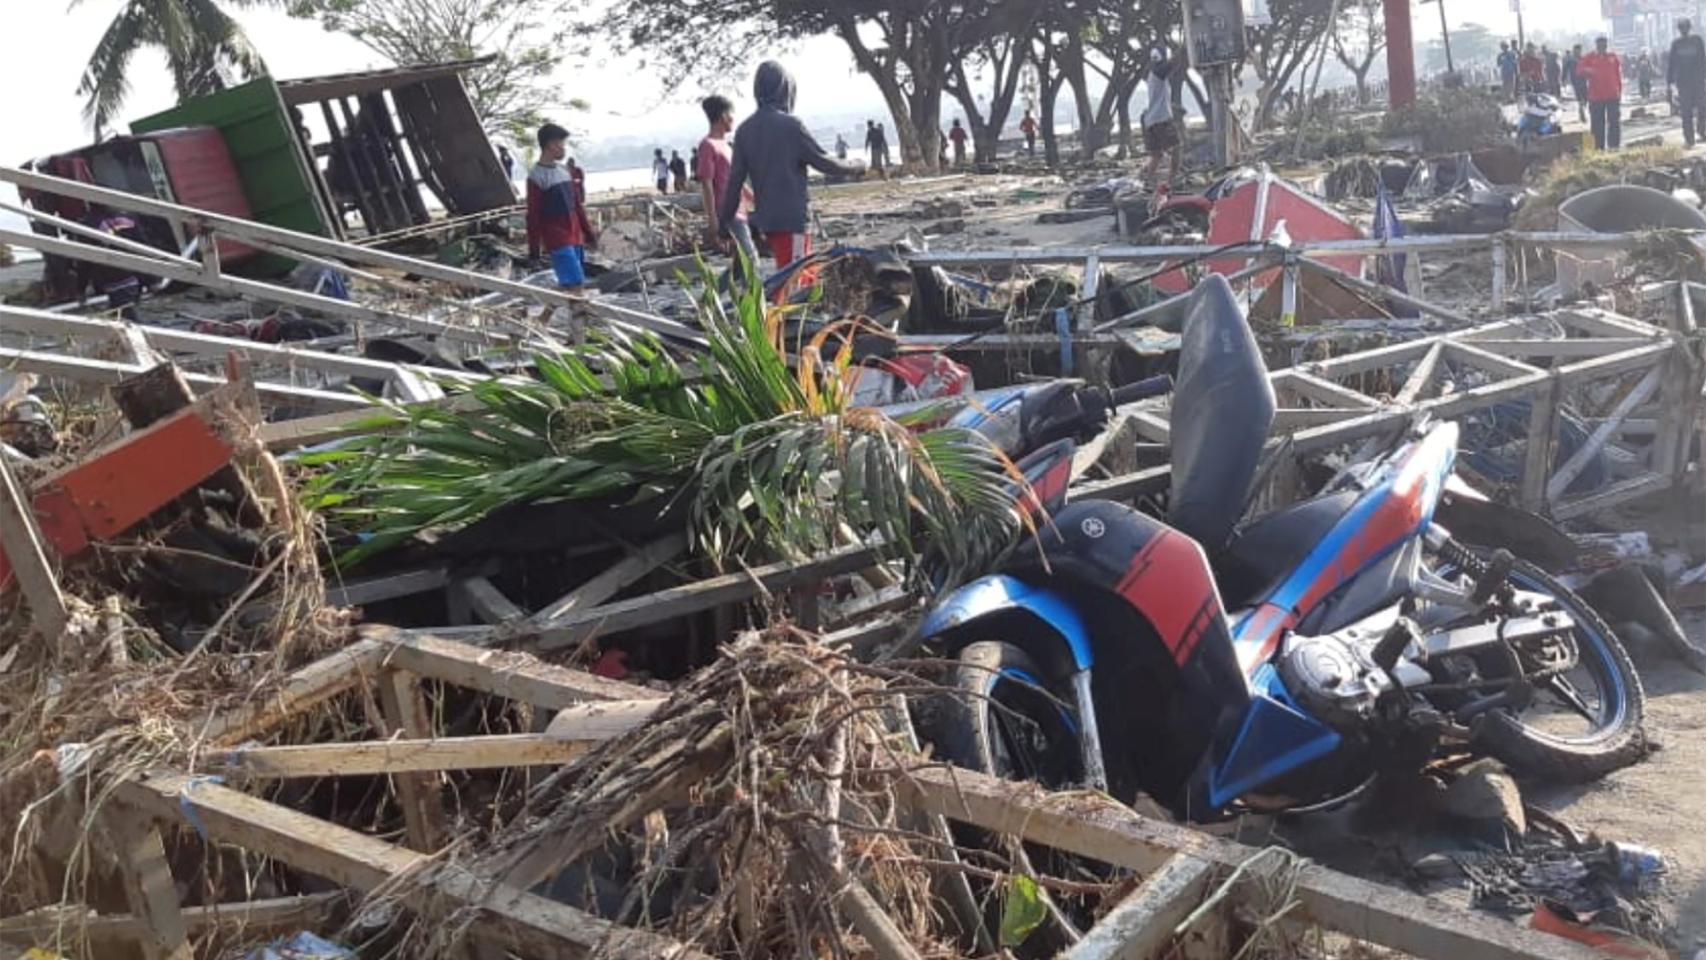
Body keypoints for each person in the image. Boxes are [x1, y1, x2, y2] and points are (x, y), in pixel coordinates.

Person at [718, 61, 863, 302]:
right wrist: (857, 165)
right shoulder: (791, 126)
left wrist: (724, 225)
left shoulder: (744, 130)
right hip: (792, 221)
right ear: (786, 89)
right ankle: (789, 331)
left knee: (794, 274)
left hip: (766, 221)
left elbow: (734, 184)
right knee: (795, 285)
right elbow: (825, 163)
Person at [527, 123, 598, 294]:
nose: (563, 149)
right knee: (576, 284)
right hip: (557, 238)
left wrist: (588, 233)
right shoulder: (536, 177)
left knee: (569, 284)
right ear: (551, 145)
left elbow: (577, 206)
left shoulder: (565, 171)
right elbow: (533, 216)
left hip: (574, 235)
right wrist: (534, 250)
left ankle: (542, 319)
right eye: (561, 144)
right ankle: (580, 320)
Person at [696, 95, 762, 272]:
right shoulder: (708, 145)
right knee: (751, 260)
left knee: (741, 266)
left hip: (740, 211)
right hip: (728, 213)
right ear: (724, 116)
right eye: (731, 115)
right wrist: (713, 220)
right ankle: (754, 298)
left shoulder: (727, 145)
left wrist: (756, 200)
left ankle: (710, 298)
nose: (733, 119)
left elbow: (737, 181)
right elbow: (707, 185)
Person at [1142, 49, 1182, 195]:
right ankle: (1170, 182)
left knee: (1156, 155)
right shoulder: (1159, 73)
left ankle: (1148, 181)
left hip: (1150, 121)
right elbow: (1172, 64)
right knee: (1176, 149)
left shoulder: (1152, 76)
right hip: (1162, 120)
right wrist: (1180, 50)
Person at [1580, 36, 1624, 150]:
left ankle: (1614, 146)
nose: (1602, 47)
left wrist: (1620, 90)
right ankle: (1598, 148)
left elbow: (1618, 75)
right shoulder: (1589, 57)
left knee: (1614, 121)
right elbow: (1579, 70)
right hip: (1596, 96)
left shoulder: (1613, 57)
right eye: (1600, 44)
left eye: (1604, 44)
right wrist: (1588, 70)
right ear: (1596, 45)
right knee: (1597, 124)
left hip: (1612, 95)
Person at [1670, 18, 1706, 147]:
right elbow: (1671, 64)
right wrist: (1670, 83)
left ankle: (1702, 131)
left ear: (1689, 28)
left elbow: (1703, 60)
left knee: (1702, 108)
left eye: (1685, 27)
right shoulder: (1676, 44)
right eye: (1681, 28)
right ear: (1679, 30)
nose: (1683, 30)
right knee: (1686, 112)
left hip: (1698, 82)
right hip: (1684, 84)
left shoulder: (1697, 41)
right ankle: (1689, 138)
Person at [1566, 43, 1589, 122]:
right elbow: (1565, 69)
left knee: (1586, 98)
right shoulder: (1570, 60)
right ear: (1574, 50)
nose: (1577, 52)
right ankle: (1581, 112)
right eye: (1576, 50)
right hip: (1575, 81)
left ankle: (1582, 108)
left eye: (1579, 50)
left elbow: (1587, 68)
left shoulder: (1583, 59)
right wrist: (1564, 79)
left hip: (1583, 80)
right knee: (1579, 97)